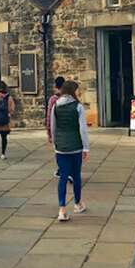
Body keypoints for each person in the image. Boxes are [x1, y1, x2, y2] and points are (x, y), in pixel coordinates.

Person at [50, 80, 89, 222]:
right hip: (75, 146)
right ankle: (77, 204)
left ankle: (62, 209)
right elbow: (82, 129)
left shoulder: (55, 105)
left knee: (63, 177)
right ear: (73, 91)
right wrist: (85, 147)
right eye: (78, 90)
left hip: (61, 147)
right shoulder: (78, 106)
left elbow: (53, 127)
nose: (79, 92)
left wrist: (56, 144)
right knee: (76, 175)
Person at [46, 76, 72, 182]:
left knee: (59, 151)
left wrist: (49, 132)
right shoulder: (70, 98)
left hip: (58, 129)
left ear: (56, 86)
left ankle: (63, 170)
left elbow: (49, 117)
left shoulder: (53, 99)